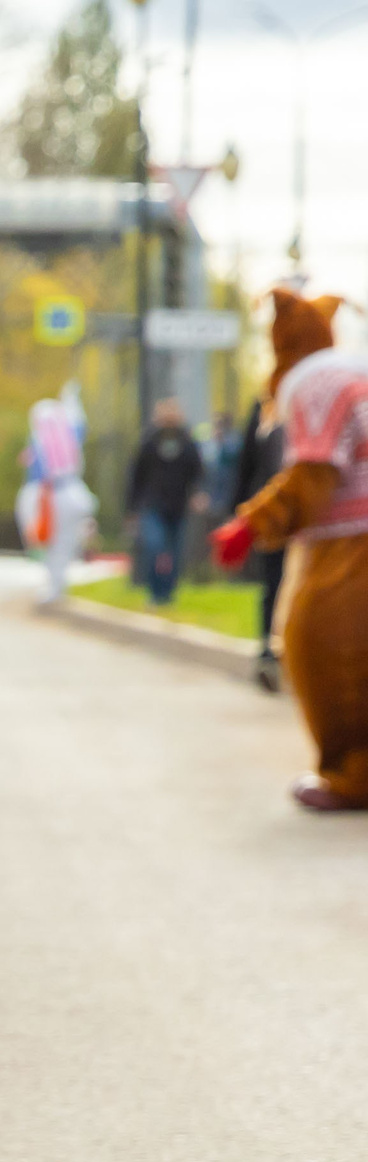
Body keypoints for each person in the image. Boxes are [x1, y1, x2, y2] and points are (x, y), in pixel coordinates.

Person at [211, 330, 368, 812]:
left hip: (352, 540)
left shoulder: (316, 385)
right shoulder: (351, 376)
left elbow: (314, 472)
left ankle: (353, 773)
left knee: (322, 645)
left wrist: (251, 523)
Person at [230, 291, 340, 692]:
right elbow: (250, 459)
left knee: (311, 587)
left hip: (319, 517)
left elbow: (313, 472)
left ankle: (293, 655)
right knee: (275, 582)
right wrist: (243, 510)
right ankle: (269, 649)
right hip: (279, 509)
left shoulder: (328, 396)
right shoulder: (269, 404)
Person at [16, 388, 97, 605]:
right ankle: (57, 581)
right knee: (60, 542)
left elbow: (39, 476)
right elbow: (81, 427)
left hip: (54, 496)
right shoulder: (69, 431)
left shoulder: (45, 438)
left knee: (55, 543)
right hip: (72, 494)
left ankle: (56, 585)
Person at [126, 398, 207, 608]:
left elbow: (198, 471)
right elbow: (136, 476)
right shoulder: (149, 442)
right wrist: (132, 508)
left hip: (178, 505)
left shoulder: (187, 442)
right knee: (155, 546)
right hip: (153, 504)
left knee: (175, 551)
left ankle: (168, 593)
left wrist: (198, 493)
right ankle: (155, 591)